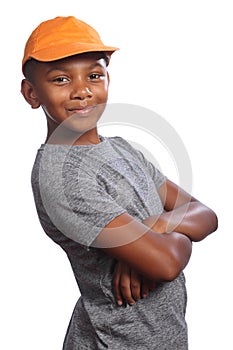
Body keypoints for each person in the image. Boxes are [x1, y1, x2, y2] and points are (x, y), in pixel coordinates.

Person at [21, 16, 218, 350]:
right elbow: (168, 263)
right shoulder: (63, 177)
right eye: (60, 79)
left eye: (94, 75)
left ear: (107, 80)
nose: (82, 90)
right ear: (31, 93)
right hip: (115, 342)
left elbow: (206, 215)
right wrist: (169, 242)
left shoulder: (123, 149)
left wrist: (154, 225)